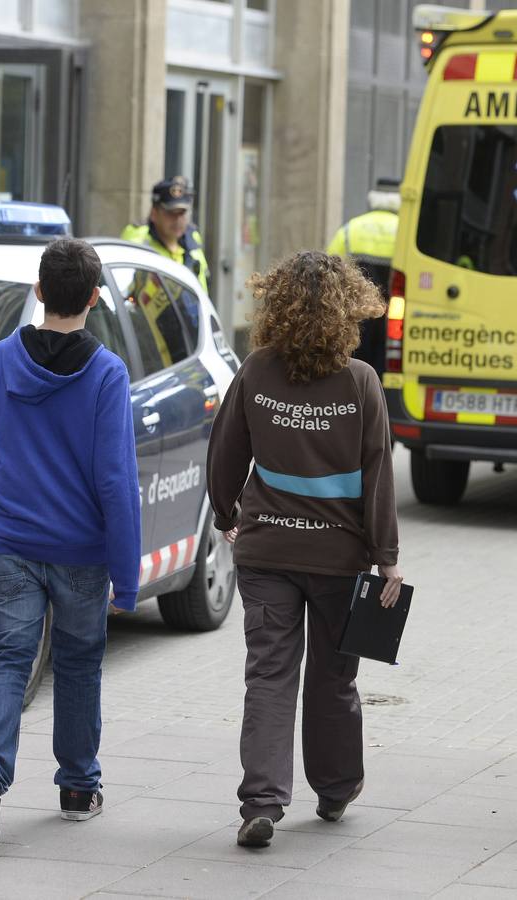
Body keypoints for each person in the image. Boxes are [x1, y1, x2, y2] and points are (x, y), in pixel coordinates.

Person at [206, 250, 403, 849]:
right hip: (340, 562)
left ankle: (262, 802)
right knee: (334, 678)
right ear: (348, 310)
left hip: (266, 554)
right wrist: (386, 556)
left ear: (278, 307)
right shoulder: (360, 382)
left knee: (268, 675)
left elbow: (225, 453)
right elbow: (379, 475)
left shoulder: (258, 370)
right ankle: (336, 787)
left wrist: (226, 513)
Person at [0, 238, 142, 852]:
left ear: (38, 291)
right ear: (95, 298)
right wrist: (127, 573)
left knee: (8, 661)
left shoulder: (4, 359)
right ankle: (77, 787)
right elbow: (116, 481)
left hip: (12, 542)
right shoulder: (106, 373)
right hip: (81, 550)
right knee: (79, 661)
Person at [326, 179, 400, 375]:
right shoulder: (405, 232)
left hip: (358, 311)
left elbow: (330, 270)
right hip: (394, 313)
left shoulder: (351, 229)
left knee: (356, 359)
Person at [122, 175, 210, 293]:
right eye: (171, 213)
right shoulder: (138, 237)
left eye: (182, 213)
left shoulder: (193, 237)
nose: (178, 220)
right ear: (154, 213)